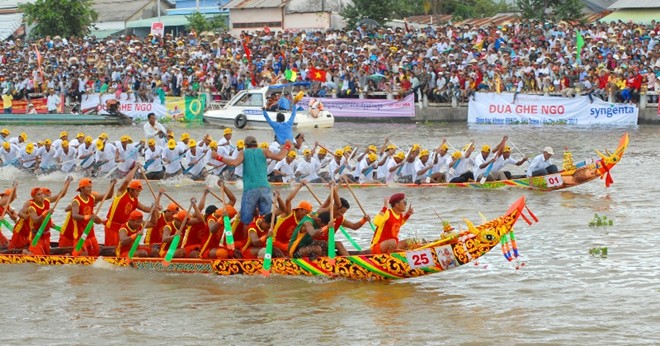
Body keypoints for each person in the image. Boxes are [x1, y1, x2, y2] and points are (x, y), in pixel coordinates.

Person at [214, 135, 291, 237]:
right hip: (265, 188)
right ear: (256, 144)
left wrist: (217, 157)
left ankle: (246, 243)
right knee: (265, 218)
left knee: (246, 220)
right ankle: (263, 239)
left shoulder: (244, 152)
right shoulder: (264, 151)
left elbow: (234, 163)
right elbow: (280, 157)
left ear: (245, 145)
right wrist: (287, 146)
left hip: (250, 189)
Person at [59, 178, 116, 256]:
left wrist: (112, 185)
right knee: (84, 259)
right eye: (88, 187)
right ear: (82, 189)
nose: (90, 189)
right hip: (80, 236)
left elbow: (108, 196)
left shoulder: (92, 198)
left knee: (95, 256)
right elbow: (74, 216)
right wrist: (88, 217)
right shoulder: (76, 201)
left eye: (91, 187)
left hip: (90, 235)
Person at [103, 164, 150, 246]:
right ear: (131, 190)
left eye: (139, 191)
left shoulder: (135, 200)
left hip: (123, 227)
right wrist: (135, 167)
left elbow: (145, 209)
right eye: (137, 191)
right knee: (112, 248)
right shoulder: (121, 193)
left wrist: (156, 207)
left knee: (122, 247)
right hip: (112, 226)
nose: (138, 193)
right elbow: (127, 181)